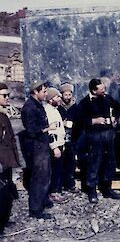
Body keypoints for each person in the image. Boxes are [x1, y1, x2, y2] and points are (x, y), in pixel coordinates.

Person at [77, 78, 120, 203]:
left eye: (104, 88)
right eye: (101, 89)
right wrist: (93, 121)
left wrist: (115, 118)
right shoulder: (84, 103)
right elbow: (79, 120)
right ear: (93, 90)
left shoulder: (107, 98)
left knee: (109, 162)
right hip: (94, 137)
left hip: (108, 135)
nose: (104, 91)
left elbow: (118, 107)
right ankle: (92, 191)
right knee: (94, 164)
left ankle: (107, 189)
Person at [21, 80, 57, 219]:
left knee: (45, 174)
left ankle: (43, 199)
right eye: (44, 91)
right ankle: (36, 209)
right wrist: (49, 128)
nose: (46, 94)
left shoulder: (37, 105)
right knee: (39, 177)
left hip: (42, 144)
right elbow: (31, 130)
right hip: (36, 146)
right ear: (36, 92)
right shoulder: (29, 107)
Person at [0, 82, 20, 234]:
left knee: (7, 194)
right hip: (0, 162)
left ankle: (4, 221)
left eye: (8, 95)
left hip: (6, 162)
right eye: (4, 96)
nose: (8, 98)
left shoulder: (3, 115)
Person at [44, 87, 67, 203]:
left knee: (58, 169)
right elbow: (50, 131)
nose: (60, 98)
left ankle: (56, 190)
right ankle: (53, 192)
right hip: (55, 146)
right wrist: (55, 147)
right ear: (50, 99)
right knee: (54, 170)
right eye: (57, 97)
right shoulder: (48, 111)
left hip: (60, 144)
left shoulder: (55, 109)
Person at [58, 83, 78, 193]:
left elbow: (80, 122)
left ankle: (70, 184)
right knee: (60, 162)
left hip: (72, 138)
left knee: (71, 162)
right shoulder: (58, 108)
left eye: (69, 94)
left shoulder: (75, 107)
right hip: (60, 138)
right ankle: (60, 185)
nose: (68, 97)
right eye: (65, 95)